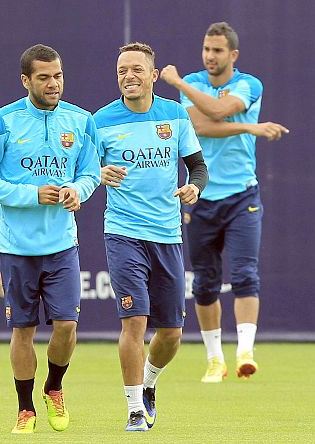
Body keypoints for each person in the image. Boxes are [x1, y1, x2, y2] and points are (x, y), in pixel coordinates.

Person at [0, 44, 100, 433]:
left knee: (66, 326)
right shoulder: (2, 121)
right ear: (26, 80)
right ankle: (25, 409)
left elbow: (90, 172)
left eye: (58, 75)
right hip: (16, 247)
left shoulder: (81, 120)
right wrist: (30, 194)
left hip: (62, 243)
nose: (53, 83)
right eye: (43, 77)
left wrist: (79, 189)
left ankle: (54, 388)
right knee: (22, 330)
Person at [160, 21, 288, 383]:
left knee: (246, 273)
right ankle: (215, 359)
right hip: (200, 194)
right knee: (204, 282)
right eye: (206, 49)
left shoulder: (249, 84)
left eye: (217, 51)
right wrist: (248, 126)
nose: (210, 56)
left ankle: (246, 350)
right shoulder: (196, 83)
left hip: (241, 194)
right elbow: (198, 126)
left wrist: (179, 83)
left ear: (233, 55)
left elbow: (215, 114)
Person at [94, 42, 208, 432]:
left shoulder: (174, 115)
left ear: (153, 76)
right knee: (134, 322)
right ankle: (133, 409)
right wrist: (98, 173)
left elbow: (197, 167)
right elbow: (83, 171)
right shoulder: (101, 121)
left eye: (137, 70)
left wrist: (194, 188)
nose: (129, 76)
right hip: (123, 232)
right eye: (122, 70)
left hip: (167, 234)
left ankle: (149, 385)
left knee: (172, 333)